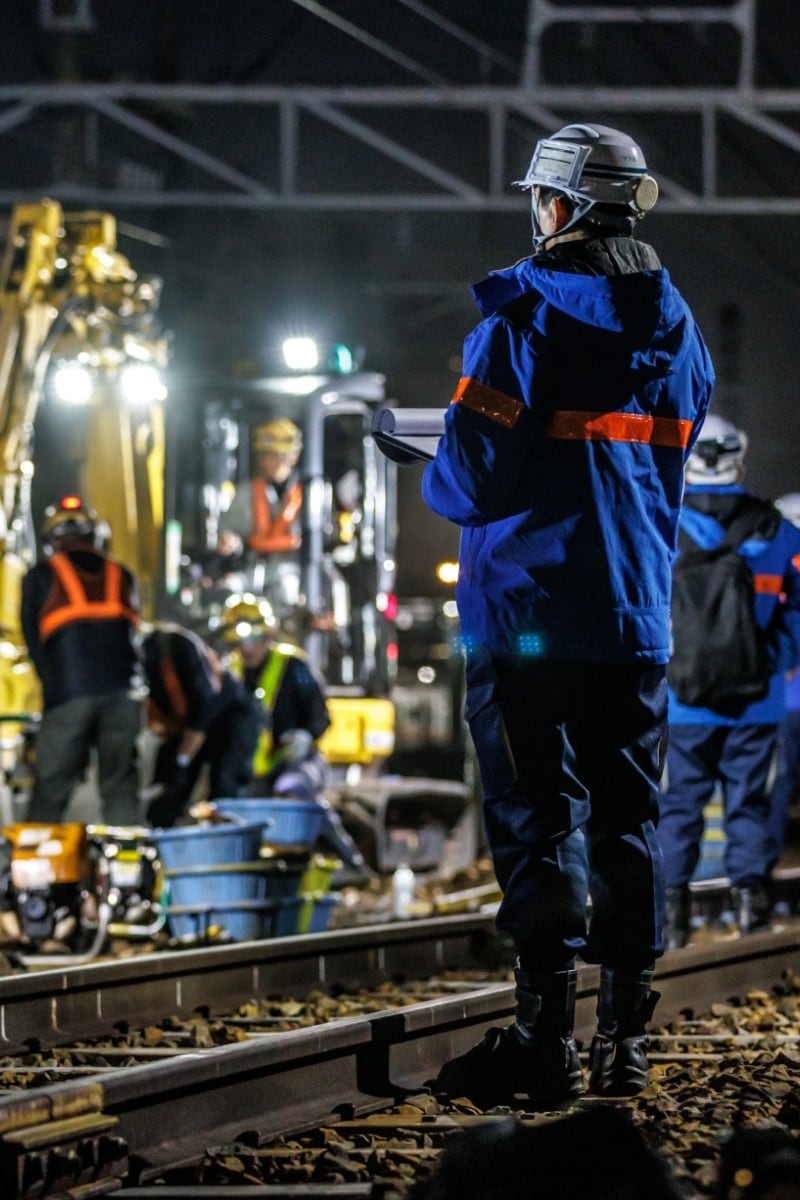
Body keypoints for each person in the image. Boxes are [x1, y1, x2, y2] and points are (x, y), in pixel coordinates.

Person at [419, 122, 714, 1108]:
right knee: (629, 820)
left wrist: (436, 468)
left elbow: (465, 484)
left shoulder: (518, 322)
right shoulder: (678, 335)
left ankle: (539, 1042)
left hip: (522, 617)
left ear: (555, 209)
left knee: (534, 818)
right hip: (630, 615)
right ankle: (622, 1048)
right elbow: (655, 471)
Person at [660, 423, 800, 948]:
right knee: (750, 806)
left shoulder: (662, 523)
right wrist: (779, 656)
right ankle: (752, 919)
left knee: (678, 807)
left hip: (682, 701)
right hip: (757, 702)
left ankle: (671, 925)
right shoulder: (778, 530)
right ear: (740, 461)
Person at [21, 496, 142, 826]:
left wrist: (53, 688)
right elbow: (133, 634)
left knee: (51, 788)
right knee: (119, 787)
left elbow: (33, 641)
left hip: (68, 693)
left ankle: (36, 869)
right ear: (96, 536)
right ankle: (127, 867)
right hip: (123, 693)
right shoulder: (123, 575)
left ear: (53, 540)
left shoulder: (41, 576)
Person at [139, 622, 262, 828]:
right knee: (169, 784)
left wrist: (182, 760)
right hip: (196, 722)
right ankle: (161, 835)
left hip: (231, 719)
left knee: (225, 784)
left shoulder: (177, 649)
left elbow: (202, 712)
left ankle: (228, 838)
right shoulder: (149, 661)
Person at [218, 593, 331, 800]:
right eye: (239, 641)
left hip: (290, 763)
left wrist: (306, 736)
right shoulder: (228, 671)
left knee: (293, 788)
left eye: (253, 639)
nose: (247, 648)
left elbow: (320, 715)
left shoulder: (294, 667)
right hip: (244, 770)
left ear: (268, 635)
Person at [217, 417, 303, 616]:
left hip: (294, 571)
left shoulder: (309, 494)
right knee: (227, 591)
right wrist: (229, 541)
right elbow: (228, 530)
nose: (267, 461)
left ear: (292, 457)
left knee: (288, 589)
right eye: (264, 455)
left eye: (273, 455)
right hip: (253, 570)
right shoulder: (248, 492)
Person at [767, 492, 800, 875]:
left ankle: (764, 877)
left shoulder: (772, 565)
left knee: (774, 790)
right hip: (785, 699)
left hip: (782, 701)